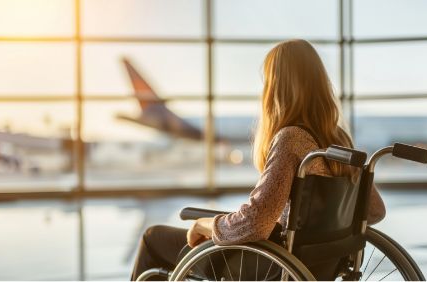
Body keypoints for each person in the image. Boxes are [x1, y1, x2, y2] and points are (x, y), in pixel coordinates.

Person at [130, 39, 386, 280]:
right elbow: (374, 210)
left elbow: (256, 223)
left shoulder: (291, 139)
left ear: (276, 88)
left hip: (269, 266)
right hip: (319, 266)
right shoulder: (339, 141)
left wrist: (204, 224)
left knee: (153, 238)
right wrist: (325, 229)